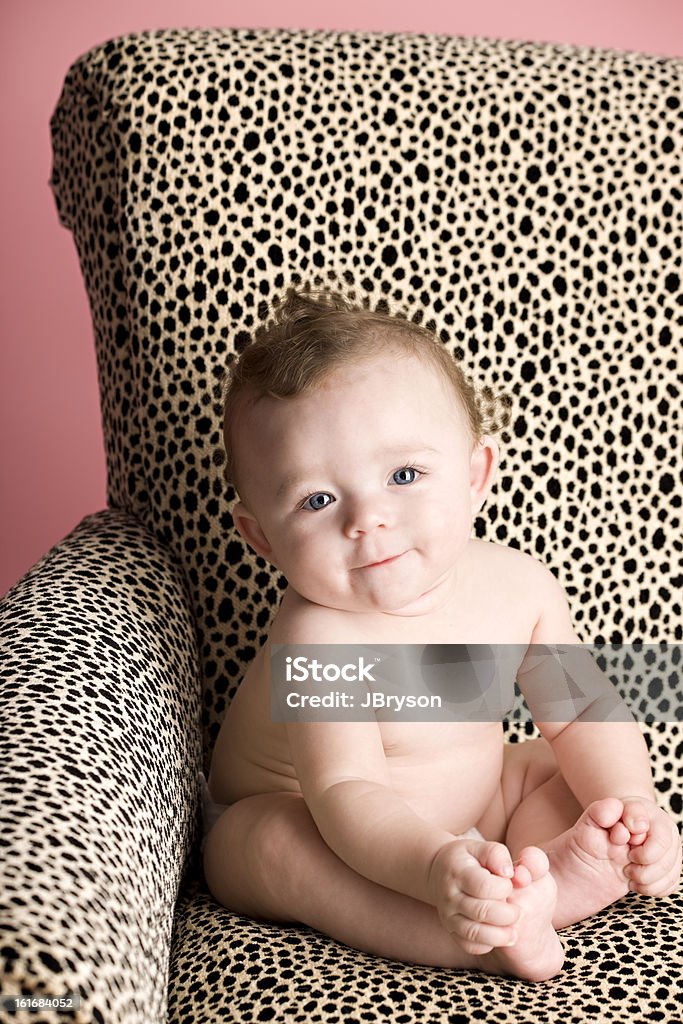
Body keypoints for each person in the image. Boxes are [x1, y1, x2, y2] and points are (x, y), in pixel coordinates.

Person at [202, 286, 681, 982]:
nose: (367, 519)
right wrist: (431, 866)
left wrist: (631, 801)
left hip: (476, 809)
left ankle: (549, 873)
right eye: (316, 499)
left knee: (554, 770)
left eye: (403, 474)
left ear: (474, 473)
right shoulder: (318, 638)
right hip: (334, 830)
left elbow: (580, 711)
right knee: (264, 841)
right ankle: (459, 936)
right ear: (262, 537)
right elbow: (346, 789)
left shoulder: (521, 587)